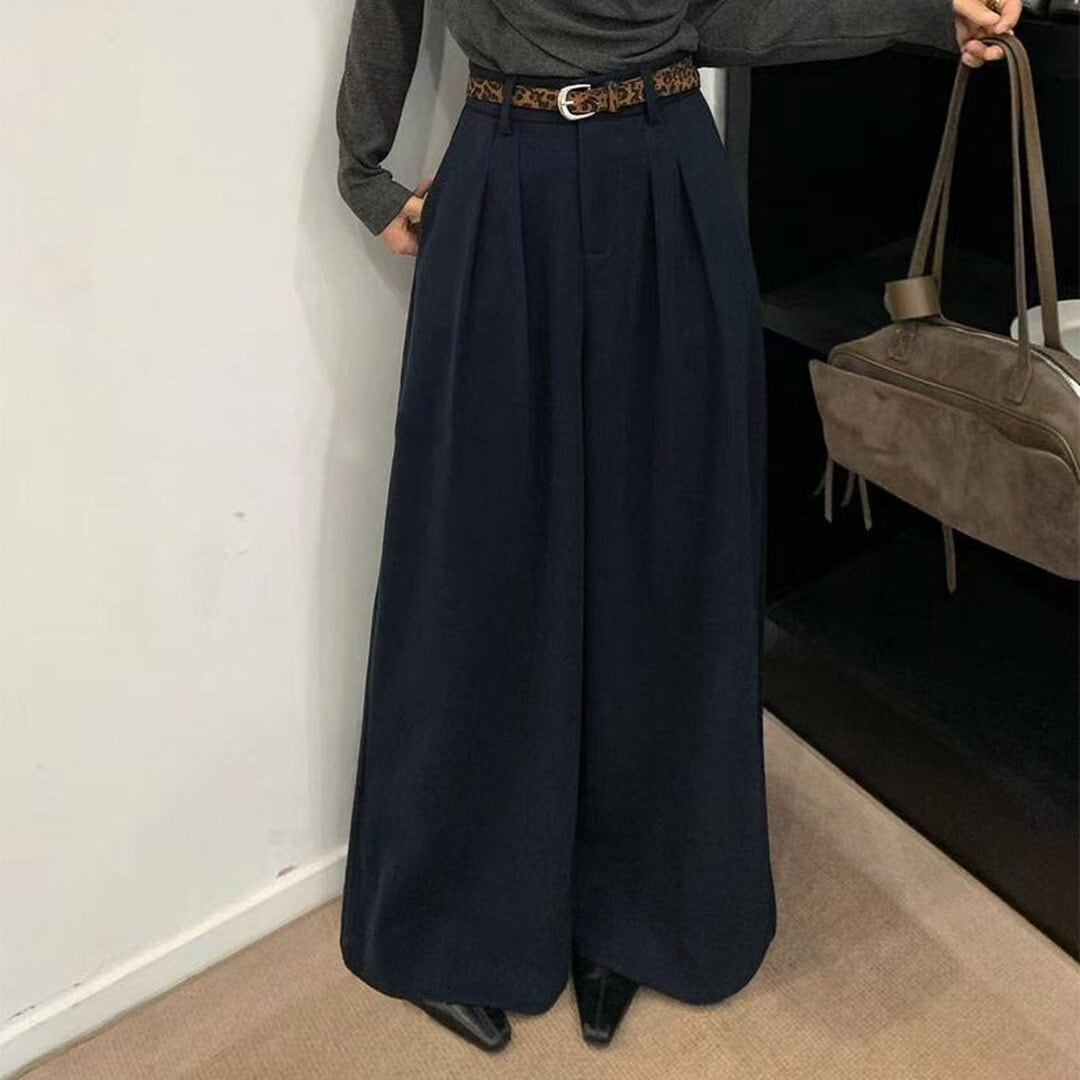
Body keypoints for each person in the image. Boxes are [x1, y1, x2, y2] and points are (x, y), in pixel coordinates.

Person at [334, 0, 1022, 1054]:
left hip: (661, 170)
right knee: (476, 562)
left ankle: (642, 904)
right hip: (503, 177)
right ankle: (454, 916)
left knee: (665, 549)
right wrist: (364, 170)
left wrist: (931, 13)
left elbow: (728, 13)